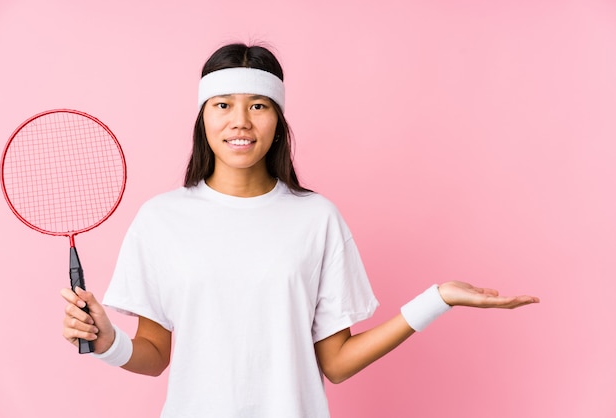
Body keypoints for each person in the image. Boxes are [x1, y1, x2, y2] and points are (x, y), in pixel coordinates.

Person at [60, 42, 540, 417]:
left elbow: (336, 362)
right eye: (223, 105)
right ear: (202, 117)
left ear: (279, 119)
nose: (240, 121)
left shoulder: (317, 219)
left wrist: (437, 298)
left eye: (259, 105)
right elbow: (154, 355)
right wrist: (106, 343)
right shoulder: (162, 219)